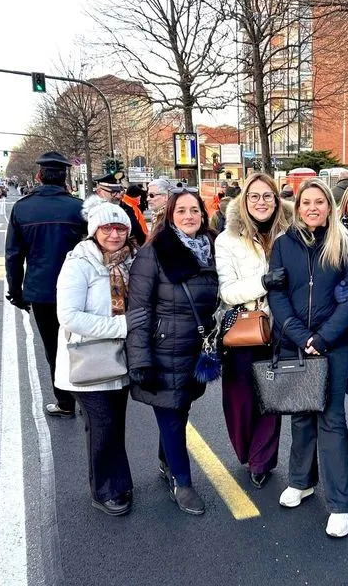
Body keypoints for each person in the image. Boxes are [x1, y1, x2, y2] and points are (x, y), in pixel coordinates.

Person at [268, 178, 348, 537]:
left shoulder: (346, 245)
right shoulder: (282, 244)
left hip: (332, 345)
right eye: (306, 202)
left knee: (332, 420)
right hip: (295, 341)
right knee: (301, 416)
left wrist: (323, 338)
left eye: (319, 202)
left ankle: (339, 504)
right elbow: (277, 294)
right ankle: (301, 481)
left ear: (329, 206)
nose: (312, 208)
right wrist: (300, 335)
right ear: (297, 206)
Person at [126, 187, 218, 516]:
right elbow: (137, 309)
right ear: (170, 216)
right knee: (173, 416)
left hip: (194, 349)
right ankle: (183, 481)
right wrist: (140, 359)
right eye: (181, 211)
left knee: (181, 410)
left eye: (195, 210)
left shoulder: (211, 248)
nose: (189, 216)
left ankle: (167, 463)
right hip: (162, 349)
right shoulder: (155, 252)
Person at [54, 198, 145, 516]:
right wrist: (121, 325)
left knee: (112, 424)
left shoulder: (130, 260)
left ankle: (116, 481)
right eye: (107, 227)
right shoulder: (79, 262)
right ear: (94, 230)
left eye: (120, 227)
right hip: (88, 360)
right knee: (103, 423)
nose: (115, 234)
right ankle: (105, 489)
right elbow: (69, 316)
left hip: (118, 360)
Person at [216, 173, 291, 488]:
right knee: (241, 400)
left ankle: (262, 460)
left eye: (267, 196)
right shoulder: (227, 239)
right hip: (244, 329)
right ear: (244, 201)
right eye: (254, 196)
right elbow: (227, 291)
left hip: (283, 328)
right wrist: (263, 282)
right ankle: (247, 450)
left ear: (276, 200)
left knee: (271, 399)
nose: (261, 202)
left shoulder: (291, 234)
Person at [5, 151, 85, 418]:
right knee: (83, 343)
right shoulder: (79, 208)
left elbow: (14, 256)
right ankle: (89, 398)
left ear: (39, 176)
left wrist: (16, 291)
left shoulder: (22, 208)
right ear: (65, 177)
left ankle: (64, 402)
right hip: (80, 290)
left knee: (54, 348)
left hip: (42, 292)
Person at [94, 172, 147, 246]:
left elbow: (139, 236)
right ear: (100, 192)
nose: (119, 196)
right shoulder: (91, 213)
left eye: (119, 191)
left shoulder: (127, 209)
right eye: (113, 192)